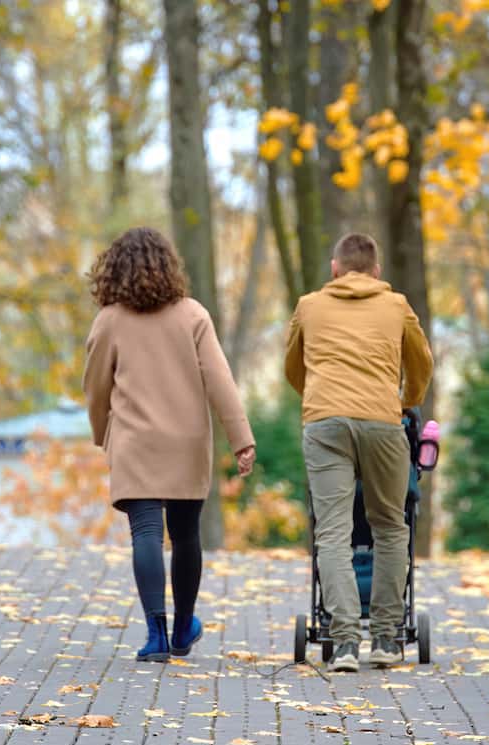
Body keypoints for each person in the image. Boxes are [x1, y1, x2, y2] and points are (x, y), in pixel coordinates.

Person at [83, 227, 256, 663]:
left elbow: (96, 385)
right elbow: (220, 380)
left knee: (145, 532)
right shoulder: (193, 315)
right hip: (187, 441)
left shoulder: (109, 320)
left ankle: (156, 634)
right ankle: (184, 629)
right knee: (185, 535)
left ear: (115, 270)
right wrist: (241, 440)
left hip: (135, 441)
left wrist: (102, 432)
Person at [284, 232, 433, 672]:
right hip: (383, 422)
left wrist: (319, 400)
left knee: (331, 531)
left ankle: (345, 643)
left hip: (325, 423)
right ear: (376, 272)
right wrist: (406, 400)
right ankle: (386, 639)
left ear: (335, 268)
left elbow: (294, 367)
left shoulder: (309, 306)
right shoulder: (397, 306)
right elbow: (421, 363)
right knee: (390, 525)